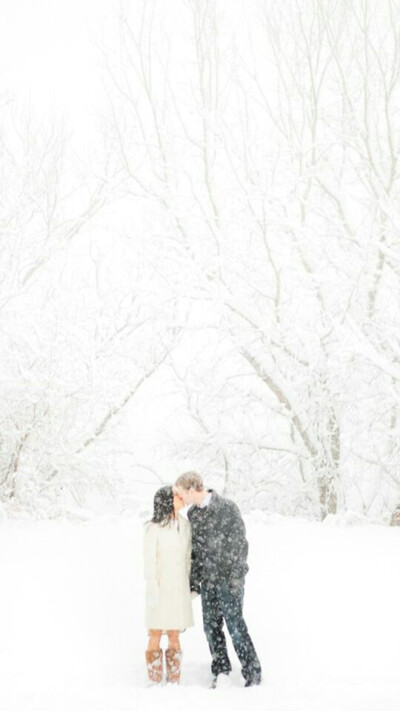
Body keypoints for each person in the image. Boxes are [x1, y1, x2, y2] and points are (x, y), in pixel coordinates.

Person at [174, 472, 262, 688]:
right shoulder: (194, 515)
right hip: (209, 581)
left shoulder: (227, 508)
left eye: (182, 493)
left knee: (235, 626)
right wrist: (195, 582)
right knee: (211, 627)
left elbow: (241, 544)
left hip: (230, 580)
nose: (181, 498)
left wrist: (235, 577)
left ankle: (252, 672)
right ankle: (221, 670)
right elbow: (196, 552)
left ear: (192, 489)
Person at [143, 485, 194, 685]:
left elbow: (188, 558)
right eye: (175, 495)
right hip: (159, 586)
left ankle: (174, 679)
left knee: (174, 632)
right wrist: (152, 588)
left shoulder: (185, 525)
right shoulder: (153, 528)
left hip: (178, 587)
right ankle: (154, 679)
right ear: (166, 500)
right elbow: (149, 561)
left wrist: (189, 586)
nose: (180, 497)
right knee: (155, 631)